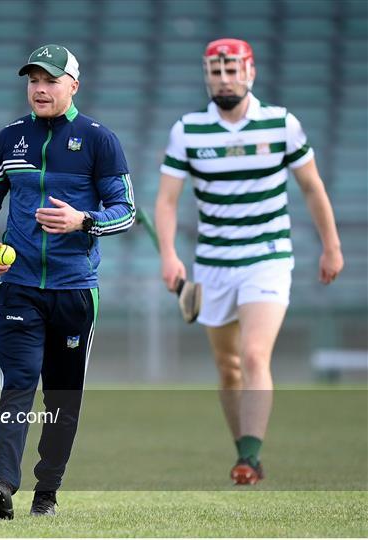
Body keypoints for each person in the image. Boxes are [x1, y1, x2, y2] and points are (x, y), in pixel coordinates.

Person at [155, 38, 343, 485]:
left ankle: (250, 459)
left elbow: (312, 188)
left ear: (250, 73)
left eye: (232, 70)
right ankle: (245, 452)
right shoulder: (188, 131)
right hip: (213, 263)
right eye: (215, 72)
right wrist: (169, 255)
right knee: (229, 367)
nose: (223, 80)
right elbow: (166, 201)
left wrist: (331, 245)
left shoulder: (281, 124)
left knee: (255, 354)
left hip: (268, 256)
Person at [0, 43, 135, 518]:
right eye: (33, 81)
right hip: (18, 287)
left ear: (73, 86)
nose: (39, 89)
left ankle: (48, 493)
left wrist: (83, 221)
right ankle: (2, 485)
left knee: (62, 396)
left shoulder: (100, 140)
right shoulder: (8, 139)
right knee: (17, 385)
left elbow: (124, 213)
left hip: (75, 291)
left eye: (50, 80)